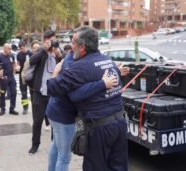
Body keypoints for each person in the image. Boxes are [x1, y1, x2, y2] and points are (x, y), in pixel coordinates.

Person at [47, 26, 128, 171]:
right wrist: (102, 84)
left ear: (82, 47)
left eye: (73, 43)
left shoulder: (80, 67)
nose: (71, 48)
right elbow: (117, 86)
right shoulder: (108, 61)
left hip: (100, 128)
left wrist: (55, 72)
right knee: (118, 166)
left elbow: (53, 88)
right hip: (120, 123)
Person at [28, 30, 62, 154]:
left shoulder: (58, 52)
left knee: (55, 121)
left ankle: (55, 145)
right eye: (50, 41)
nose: (52, 43)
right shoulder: (41, 52)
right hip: (40, 92)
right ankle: (35, 145)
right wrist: (44, 49)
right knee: (37, 121)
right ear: (45, 41)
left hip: (54, 94)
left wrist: (58, 54)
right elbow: (32, 61)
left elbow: (66, 65)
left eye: (54, 40)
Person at [0, 43, 19, 116]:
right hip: (3, 78)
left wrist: (15, 69)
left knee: (13, 93)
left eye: (10, 48)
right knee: (2, 93)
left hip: (11, 77)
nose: (10, 50)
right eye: (9, 48)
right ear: (4, 48)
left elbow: (14, 65)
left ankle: (12, 109)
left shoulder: (11, 56)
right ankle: (2, 109)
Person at [17, 41, 33, 114]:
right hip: (22, 75)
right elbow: (18, 64)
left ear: (25, 46)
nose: (21, 50)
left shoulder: (30, 53)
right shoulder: (18, 55)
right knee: (23, 92)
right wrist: (18, 67)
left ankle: (34, 107)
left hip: (30, 75)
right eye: (20, 48)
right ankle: (25, 108)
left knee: (32, 92)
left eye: (22, 48)